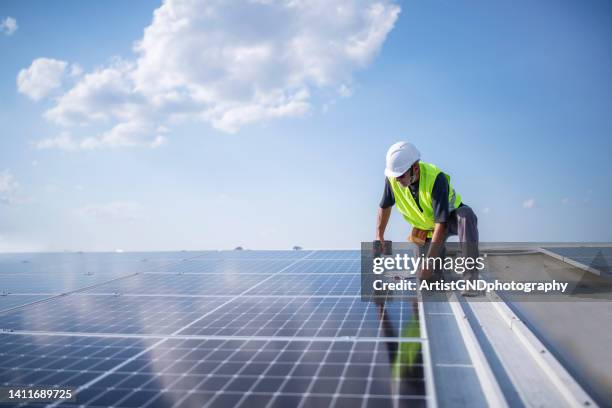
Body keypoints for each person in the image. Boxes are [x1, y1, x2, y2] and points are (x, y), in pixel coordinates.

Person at [375, 141, 480, 294]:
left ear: (415, 168)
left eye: (401, 176)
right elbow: (384, 206)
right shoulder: (393, 179)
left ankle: (471, 281)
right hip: (424, 230)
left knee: (466, 216)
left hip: (449, 220)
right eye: (395, 177)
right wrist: (379, 235)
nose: (397, 180)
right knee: (428, 280)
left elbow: (441, 224)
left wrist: (429, 261)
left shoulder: (436, 178)